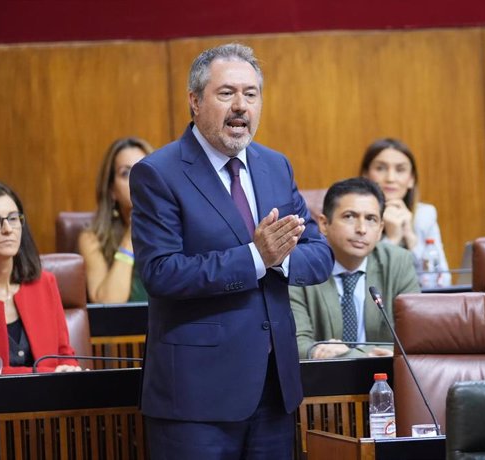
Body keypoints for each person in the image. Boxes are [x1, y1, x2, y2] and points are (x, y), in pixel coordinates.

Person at [129, 43, 334, 459]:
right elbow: (161, 272)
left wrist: (280, 256)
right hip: (196, 399)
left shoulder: (276, 166)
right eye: (226, 93)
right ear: (194, 100)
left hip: (274, 390)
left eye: (251, 94)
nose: (241, 106)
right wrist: (257, 258)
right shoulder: (158, 173)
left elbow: (320, 255)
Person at [290, 178, 420, 359]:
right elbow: (294, 344)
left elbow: (415, 339)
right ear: (324, 224)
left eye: (371, 219)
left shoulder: (398, 262)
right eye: (349, 216)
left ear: (381, 228)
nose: (362, 229)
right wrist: (316, 352)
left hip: (384, 380)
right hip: (322, 383)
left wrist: (351, 354)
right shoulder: (300, 267)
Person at [0, 181, 81, 374]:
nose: (7, 229)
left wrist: (70, 371)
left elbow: (64, 354)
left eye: (13, 218)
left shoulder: (44, 284)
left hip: (49, 400)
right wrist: (43, 374)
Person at [360, 138, 450, 284]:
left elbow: (442, 282)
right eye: (380, 168)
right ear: (365, 175)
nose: (390, 178)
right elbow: (363, 282)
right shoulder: (356, 217)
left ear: (411, 179)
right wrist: (392, 238)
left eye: (400, 170)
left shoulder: (424, 215)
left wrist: (412, 240)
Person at [78, 137, 153, 303]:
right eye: (126, 173)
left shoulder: (178, 226)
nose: (137, 179)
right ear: (112, 190)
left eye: (145, 169)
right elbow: (109, 303)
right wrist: (130, 237)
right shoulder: (93, 239)